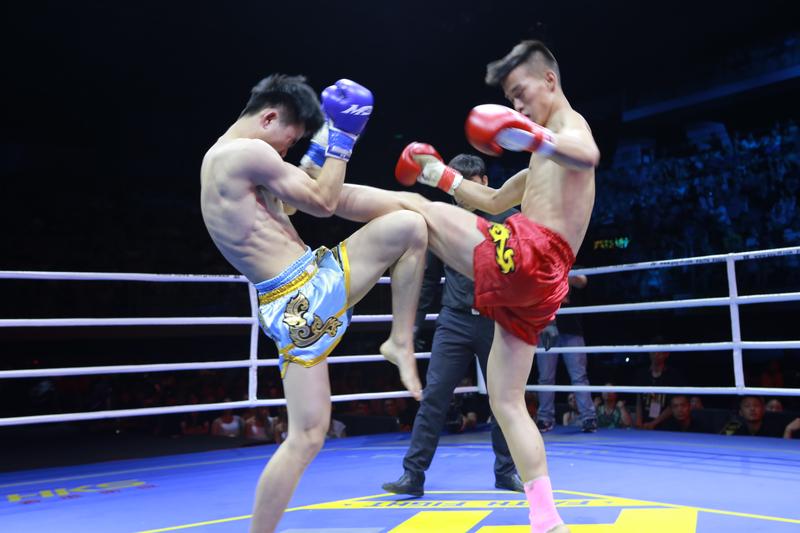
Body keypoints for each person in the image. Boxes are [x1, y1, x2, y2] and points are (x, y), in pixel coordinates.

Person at [334, 39, 599, 533]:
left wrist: (532, 135)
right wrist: (437, 173)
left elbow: (588, 155)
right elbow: (493, 201)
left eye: (520, 93)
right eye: (510, 100)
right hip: (542, 285)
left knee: (419, 214)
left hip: (532, 254)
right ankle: (547, 520)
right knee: (506, 401)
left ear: (549, 80)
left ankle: (320, 195)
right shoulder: (544, 156)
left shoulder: (569, 129)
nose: (516, 106)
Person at [200, 74, 427, 533]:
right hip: (304, 294)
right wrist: (343, 139)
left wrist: (320, 148)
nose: (286, 150)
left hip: (293, 298)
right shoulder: (249, 152)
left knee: (306, 436)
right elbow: (322, 202)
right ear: (269, 117)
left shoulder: (223, 159)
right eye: (289, 140)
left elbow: (289, 205)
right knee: (410, 226)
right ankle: (401, 341)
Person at [381, 155, 523, 498]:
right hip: (454, 320)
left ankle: (507, 472)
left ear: (484, 182)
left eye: (467, 184)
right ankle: (413, 474)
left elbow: (527, 272)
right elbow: (428, 279)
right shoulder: (445, 220)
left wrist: (543, 319)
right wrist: (411, 328)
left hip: (498, 320)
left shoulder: (510, 218)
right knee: (434, 396)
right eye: (455, 186)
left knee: (505, 399)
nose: (461, 194)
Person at [535, 272, 597, 433]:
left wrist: (558, 273)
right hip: (546, 328)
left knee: (579, 376)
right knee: (545, 377)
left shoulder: (572, 266)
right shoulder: (543, 266)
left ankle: (588, 417)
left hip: (572, 329)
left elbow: (582, 281)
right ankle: (544, 418)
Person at [634, 339, 686, 429]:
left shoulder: (672, 375)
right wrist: (638, 421)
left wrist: (654, 423)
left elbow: (673, 404)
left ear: (666, 354)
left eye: (659, 352)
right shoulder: (642, 374)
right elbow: (639, 399)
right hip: (645, 423)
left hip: (666, 425)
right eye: (653, 351)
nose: (656, 355)